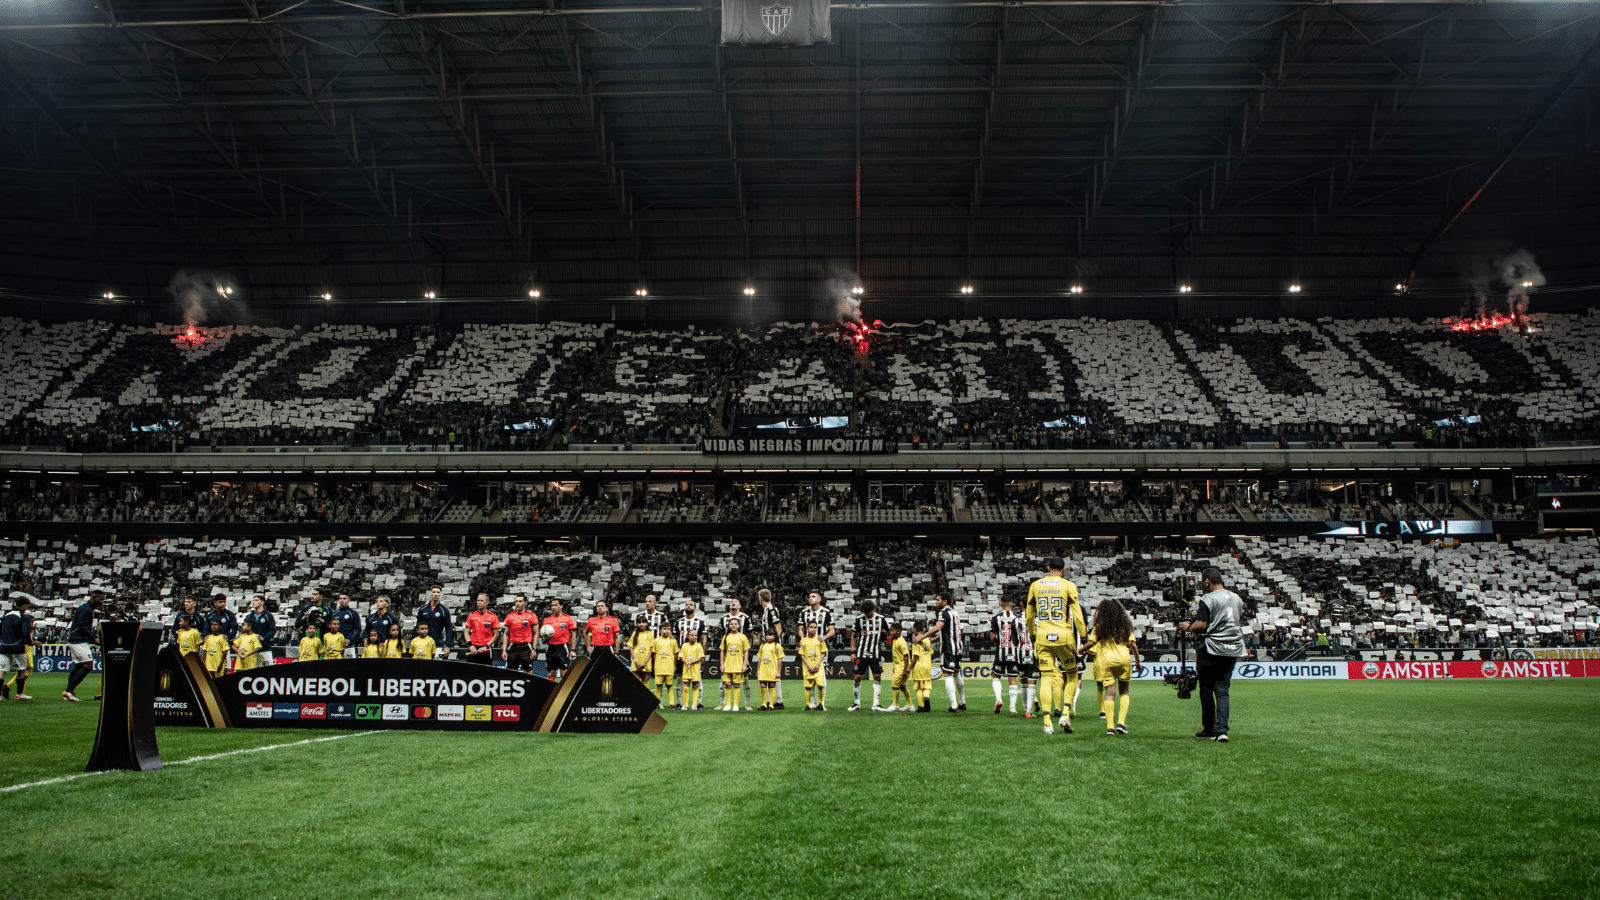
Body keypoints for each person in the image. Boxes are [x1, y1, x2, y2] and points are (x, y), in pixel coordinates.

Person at [1179, 567, 1248, 742]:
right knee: (1223, 690)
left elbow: (1201, 624)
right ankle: (1222, 731)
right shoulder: (1236, 598)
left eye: (1203, 583)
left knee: (1207, 689)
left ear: (1207, 581)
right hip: (1232, 649)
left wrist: (1188, 627)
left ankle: (1209, 729)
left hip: (1211, 649)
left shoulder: (1208, 598)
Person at [1024, 557, 1085, 736]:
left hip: (1042, 637)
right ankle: (1065, 714)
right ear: (1063, 570)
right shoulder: (1068, 585)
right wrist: (1083, 635)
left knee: (1046, 678)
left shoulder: (1035, 585)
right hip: (1064, 638)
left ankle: (1047, 723)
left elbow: (1029, 615)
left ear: (1048, 568)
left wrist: (1032, 634)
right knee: (1072, 675)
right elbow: (1077, 613)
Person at [1080, 599, 1139, 736]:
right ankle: (1121, 723)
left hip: (1106, 661)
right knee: (1124, 691)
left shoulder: (1100, 626)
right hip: (1123, 659)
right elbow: (1133, 645)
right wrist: (1137, 662)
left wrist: (1080, 650)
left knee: (1110, 693)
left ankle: (1110, 727)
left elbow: (1090, 644)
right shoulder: (1125, 625)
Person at [918, 594, 966, 713]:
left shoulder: (944, 612)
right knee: (956, 673)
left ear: (945, 601)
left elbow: (938, 627)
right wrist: (934, 639)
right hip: (958, 647)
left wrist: (923, 636)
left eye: (938, 600)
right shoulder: (955, 612)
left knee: (948, 674)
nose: (936, 602)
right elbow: (950, 630)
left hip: (949, 648)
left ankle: (954, 706)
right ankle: (962, 702)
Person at [63, 589, 103, 702]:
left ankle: (68, 692)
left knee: (79, 666)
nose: (102, 602)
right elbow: (82, 626)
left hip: (76, 639)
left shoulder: (86, 607)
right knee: (88, 665)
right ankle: (68, 691)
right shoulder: (87, 609)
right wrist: (94, 638)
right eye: (101, 599)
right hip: (78, 640)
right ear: (94, 597)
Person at [849, 600, 889, 711]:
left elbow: (890, 631)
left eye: (869, 612)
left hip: (875, 654)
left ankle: (876, 704)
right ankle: (856, 703)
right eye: (865, 612)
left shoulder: (881, 619)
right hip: (861, 654)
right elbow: (853, 636)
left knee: (877, 677)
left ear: (873, 609)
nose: (867, 614)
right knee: (857, 677)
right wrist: (853, 652)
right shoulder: (859, 619)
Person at [1, 595, 41, 701]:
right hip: (18, 648)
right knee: (22, 670)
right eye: (26, 606)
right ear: (23, 606)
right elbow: (25, 633)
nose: (26, 608)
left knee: (1, 671)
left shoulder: (5, 616)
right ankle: (19, 694)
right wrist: (32, 642)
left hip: (4, 647)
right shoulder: (24, 618)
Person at [991, 596, 1026, 714]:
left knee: (996, 676)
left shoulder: (995, 618)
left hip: (1001, 651)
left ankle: (999, 699)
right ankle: (1012, 708)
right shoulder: (1017, 618)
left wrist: (998, 643)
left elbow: (992, 637)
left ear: (1001, 604)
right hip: (1014, 652)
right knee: (1013, 680)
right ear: (1012, 604)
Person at [719, 598, 753, 709]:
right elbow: (721, 632)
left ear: (740, 606)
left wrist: (741, 642)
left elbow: (750, 633)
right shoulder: (724, 618)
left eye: (736, 601)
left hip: (741, 652)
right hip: (728, 653)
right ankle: (723, 703)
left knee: (745, 679)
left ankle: (746, 704)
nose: (733, 603)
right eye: (732, 602)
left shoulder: (745, 617)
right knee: (724, 682)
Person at [673, 601, 707, 708]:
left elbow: (704, 640)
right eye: (687, 604)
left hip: (696, 654)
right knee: (680, 678)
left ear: (695, 608)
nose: (689, 606)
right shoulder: (678, 622)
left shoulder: (700, 622)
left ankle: (698, 703)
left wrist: (703, 655)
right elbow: (674, 639)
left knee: (697, 679)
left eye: (691, 605)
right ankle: (680, 703)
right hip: (682, 654)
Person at [755, 590, 784, 709]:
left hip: (773, 646)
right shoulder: (767, 610)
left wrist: (774, 643)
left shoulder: (771, 609)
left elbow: (778, 627)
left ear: (760, 598)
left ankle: (778, 701)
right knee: (769, 674)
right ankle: (770, 701)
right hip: (768, 644)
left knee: (774, 674)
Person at [502, 595, 537, 674]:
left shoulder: (532, 616)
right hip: (513, 647)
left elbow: (536, 633)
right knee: (511, 672)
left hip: (526, 647)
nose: (517, 603)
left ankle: (528, 686)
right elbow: (506, 634)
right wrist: (504, 650)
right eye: (516, 601)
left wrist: (534, 649)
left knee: (527, 671)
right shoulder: (509, 616)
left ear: (525, 603)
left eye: (520, 601)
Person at [543, 598, 578, 677]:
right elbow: (544, 638)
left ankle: (564, 689)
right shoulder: (546, 620)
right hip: (550, 648)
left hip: (562, 648)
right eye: (552, 605)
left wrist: (573, 650)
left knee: (564, 672)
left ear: (561, 606)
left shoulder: (568, 619)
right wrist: (544, 639)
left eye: (555, 605)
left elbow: (573, 635)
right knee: (551, 673)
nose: (553, 607)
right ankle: (551, 689)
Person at [416, 586, 453, 659]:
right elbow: (418, 627)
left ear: (440, 594)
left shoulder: (444, 611)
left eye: (438, 592)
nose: (436, 594)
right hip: (422, 644)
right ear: (430, 593)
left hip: (437, 645)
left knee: (436, 668)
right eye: (434, 592)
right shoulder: (422, 609)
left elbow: (448, 629)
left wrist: (448, 646)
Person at [799, 621, 828, 710]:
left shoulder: (820, 639)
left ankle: (820, 704)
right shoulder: (803, 641)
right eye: (811, 627)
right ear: (807, 628)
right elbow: (801, 654)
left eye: (815, 627)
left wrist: (818, 664)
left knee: (820, 685)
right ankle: (808, 705)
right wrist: (808, 666)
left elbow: (823, 653)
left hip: (818, 667)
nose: (813, 629)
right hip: (808, 667)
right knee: (808, 686)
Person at [464, 593, 500, 665]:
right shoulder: (471, 616)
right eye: (478, 600)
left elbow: (496, 635)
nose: (479, 602)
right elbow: (466, 632)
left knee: (486, 673)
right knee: (470, 673)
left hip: (485, 649)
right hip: (473, 648)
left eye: (481, 600)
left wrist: (486, 646)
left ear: (487, 602)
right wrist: (470, 645)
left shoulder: (493, 617)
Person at [243, 596, 276, 666]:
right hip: (251, 649)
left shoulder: (268, 615)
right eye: (253, 600)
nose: (254, 602)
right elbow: (245, 631)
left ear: (262, 602)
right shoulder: (249, 616)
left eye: (256, 600)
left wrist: (263, 638)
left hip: (265, 647)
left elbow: (272, 630)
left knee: (268, 671)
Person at [678, 630, 707, 711]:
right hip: (686, 668)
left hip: (695, 669)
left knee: (695, 685)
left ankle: (694, 705)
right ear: (688, 636)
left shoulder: (699, 646)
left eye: (695, 635)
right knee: (686, 685)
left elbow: (700, 657)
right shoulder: (684, 645)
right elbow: (681, 656)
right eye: (692, 635)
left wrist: (691, 662)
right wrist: (686, 661)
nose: (694, 637)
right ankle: (685, 704)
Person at [909, 622, 935, 712]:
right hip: (927, 666)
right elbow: (931, 653)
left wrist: (909, 667)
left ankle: (920, 706)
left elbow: (915, 657)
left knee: (918, 688)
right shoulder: (927, 640)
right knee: (926, 686)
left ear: (915, 629)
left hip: (918, 667)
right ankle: (926, 697)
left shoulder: (915, 640)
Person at [755, 629, 783, 710]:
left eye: (770, 635)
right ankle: (764, 704)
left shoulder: (777, 646)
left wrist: (778, 671)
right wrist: (758, 670)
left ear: (774, 636)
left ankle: (771, 705)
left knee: (771, 685)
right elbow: (760, 658)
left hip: (772, 669)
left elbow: (780, 659)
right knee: (762, 685)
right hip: (763, 669)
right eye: (767, 635)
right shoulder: (762, 645)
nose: (768, 637)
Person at [887, 623, 912, 712]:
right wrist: (894, 667)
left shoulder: (901, 641)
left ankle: (895, 705)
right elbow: (896, 656)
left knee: (894, 685)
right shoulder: (895, 640)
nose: (890, 632)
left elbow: (906, 656)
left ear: (898, 631)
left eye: (892, 630)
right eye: (890, 630)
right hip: (898, 667)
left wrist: (905, 670)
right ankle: (910, 705)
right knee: (902, 687)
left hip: (902, 668)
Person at [652, 625, 678, 704]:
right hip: (659, 667)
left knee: (669, 686)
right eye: (664, 629)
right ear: (660, 630)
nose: (666, 631)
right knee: (658, 686)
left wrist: (674, 665)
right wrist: (655, 665)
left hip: (669, 667)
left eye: (668, 629)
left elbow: (675, 654)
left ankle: (671, 704)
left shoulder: (673, 641)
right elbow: (654, 654)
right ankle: (658, 704)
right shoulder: (656, 641)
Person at [629, 616, 655, 681]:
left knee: (645, 680)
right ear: (637, 624)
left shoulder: (650, 634)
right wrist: (635, 661)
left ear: (646, 623)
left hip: (646, 661)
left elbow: (651, 649)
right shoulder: (634, 634)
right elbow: (631, 648)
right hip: (636, 661)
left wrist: (646, 662)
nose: (641, 624)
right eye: (639, 622)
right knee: (636, 681)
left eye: (643, 622)